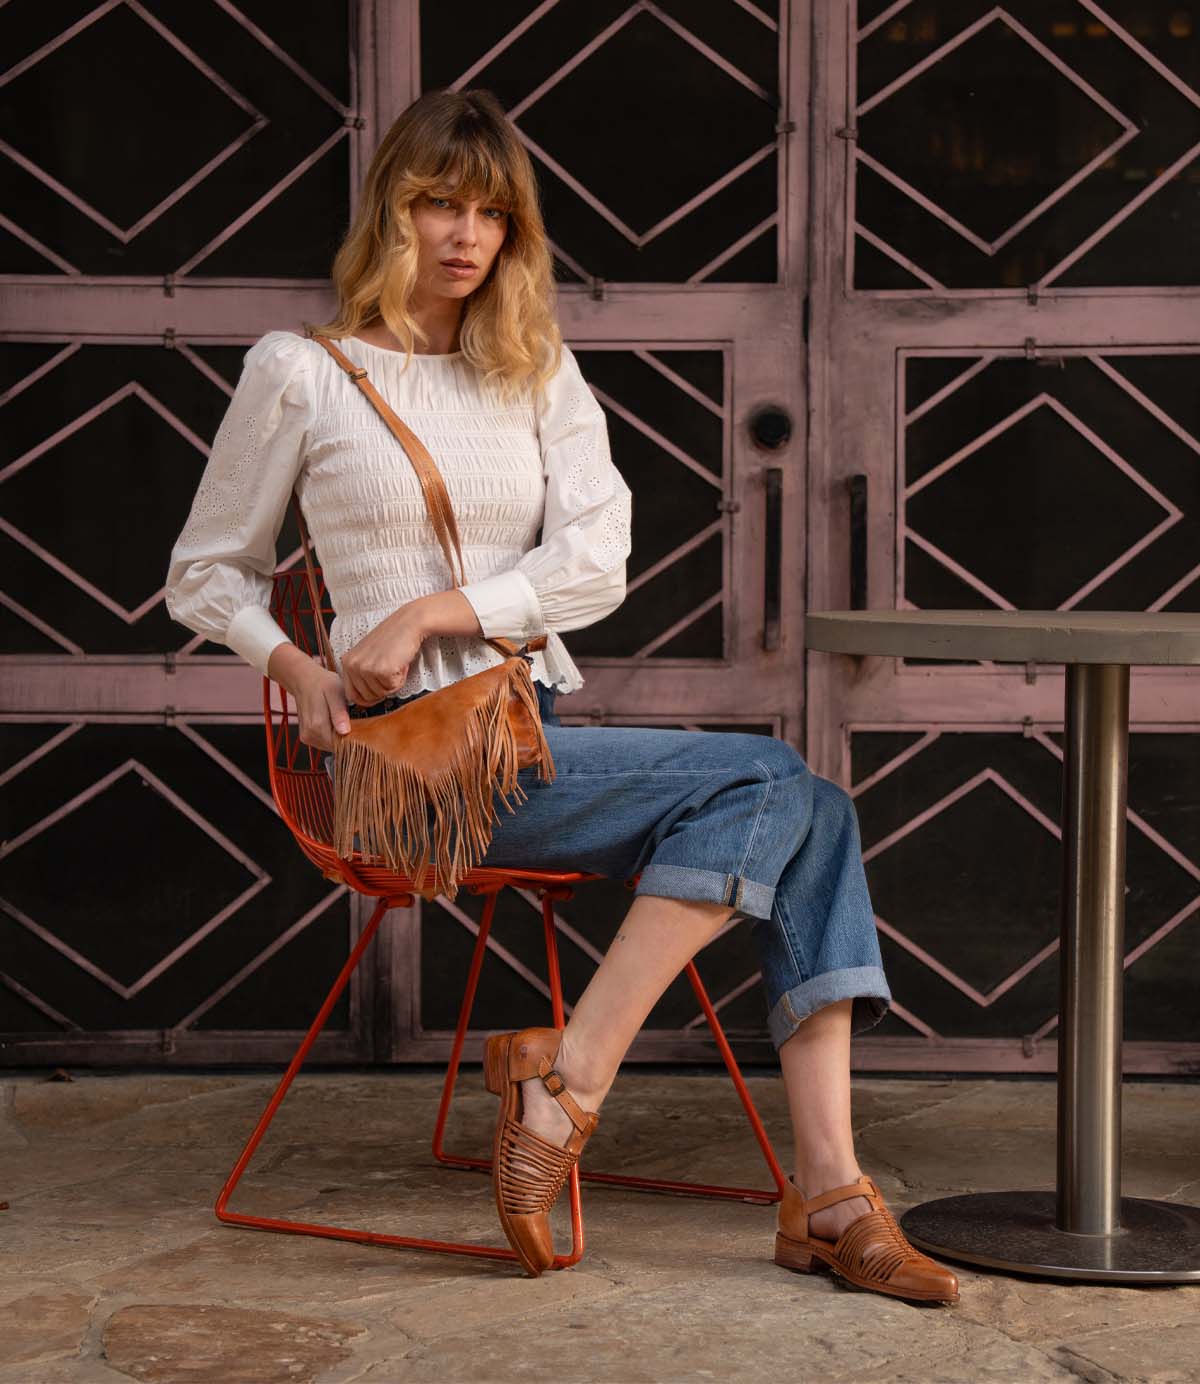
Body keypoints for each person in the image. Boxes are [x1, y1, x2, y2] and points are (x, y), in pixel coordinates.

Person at [164, 88, 958, 1304]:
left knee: (818, 812)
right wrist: (301, 667)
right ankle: (613, 1103)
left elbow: (598, 562)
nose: (463, 232)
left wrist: (434, 612)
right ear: (393, 210)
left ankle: (801, 1180)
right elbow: (203, 572)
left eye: (490, 210)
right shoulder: (302, 372)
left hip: (514, 745)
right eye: (438, 200)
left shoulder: (535, 374)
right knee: (773, 782)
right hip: (392, 771)